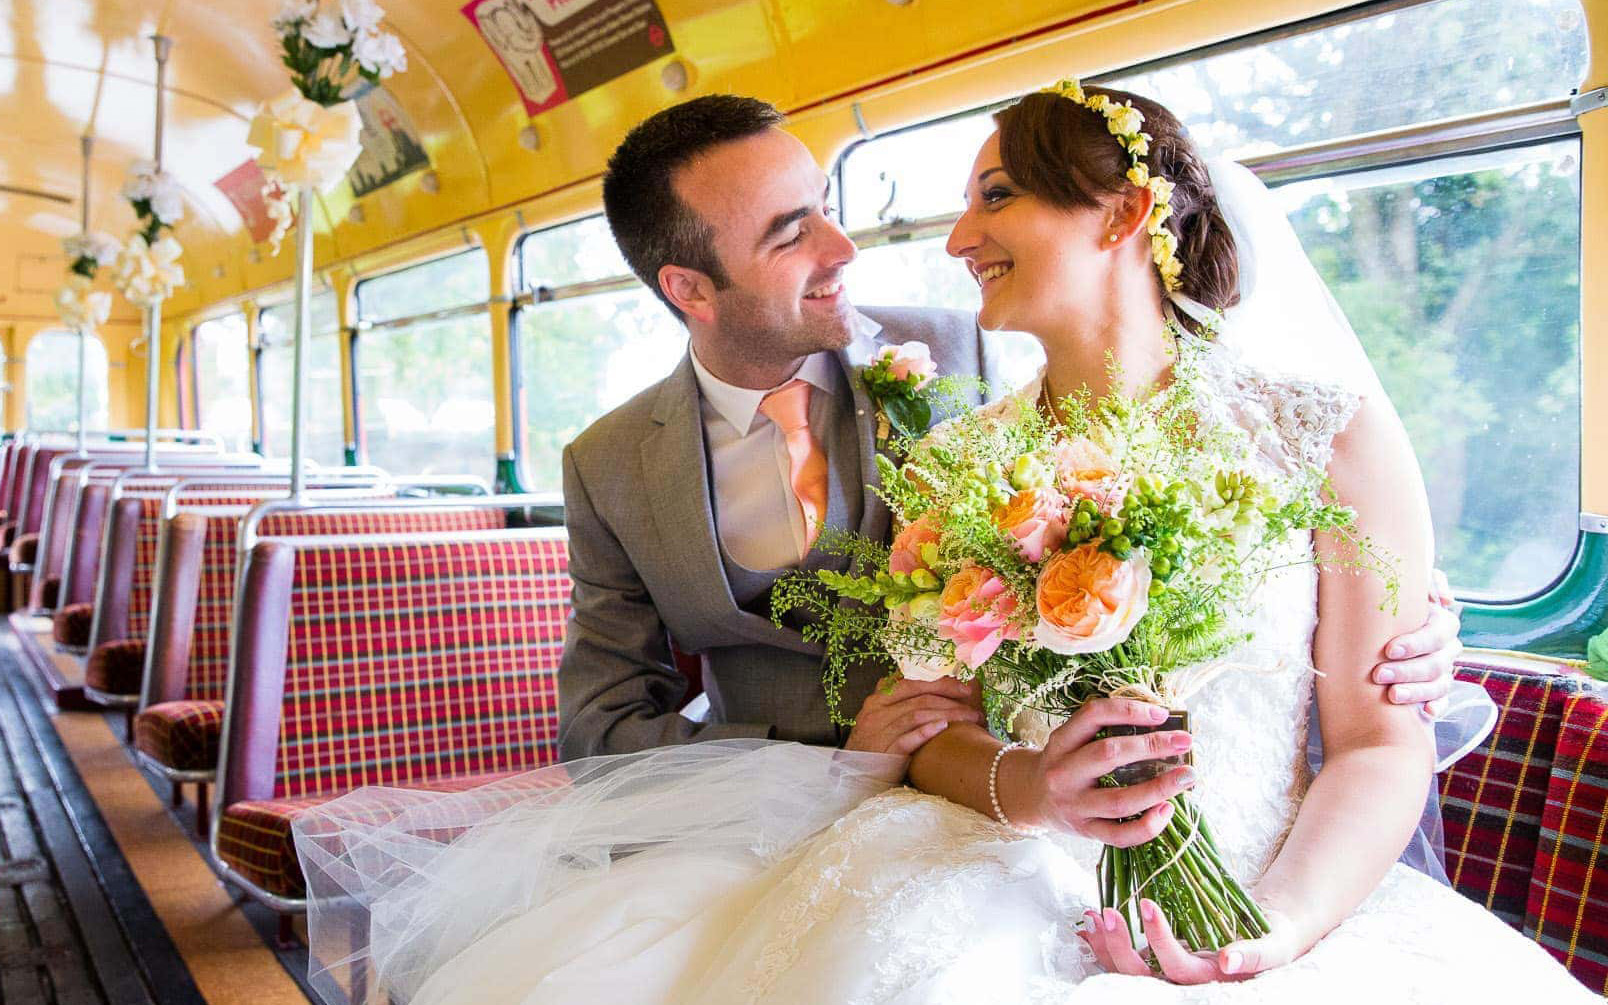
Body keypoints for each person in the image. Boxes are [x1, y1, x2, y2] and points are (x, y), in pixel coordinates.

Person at [289, 90, 1541, 1003]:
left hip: (1249, 865)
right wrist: (982, 776)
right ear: (692, 289)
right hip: (874, 818)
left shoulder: (950, 371)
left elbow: (1374, 725)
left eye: (987, 199)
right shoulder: (658, 462)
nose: (898, 248)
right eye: (789, 234)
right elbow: (634, 723)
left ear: (1123, 214)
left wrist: (1408, 622)